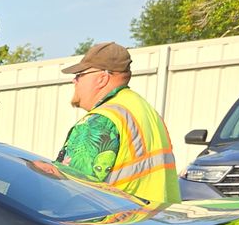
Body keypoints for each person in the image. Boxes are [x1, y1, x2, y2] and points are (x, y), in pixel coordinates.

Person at [56, 41, 180, 204]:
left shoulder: (100, 121)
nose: (74, 80)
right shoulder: (143, 109)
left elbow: (66, 191)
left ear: (102, 78)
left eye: (80, 75)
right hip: (157, 221)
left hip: (115, 224)